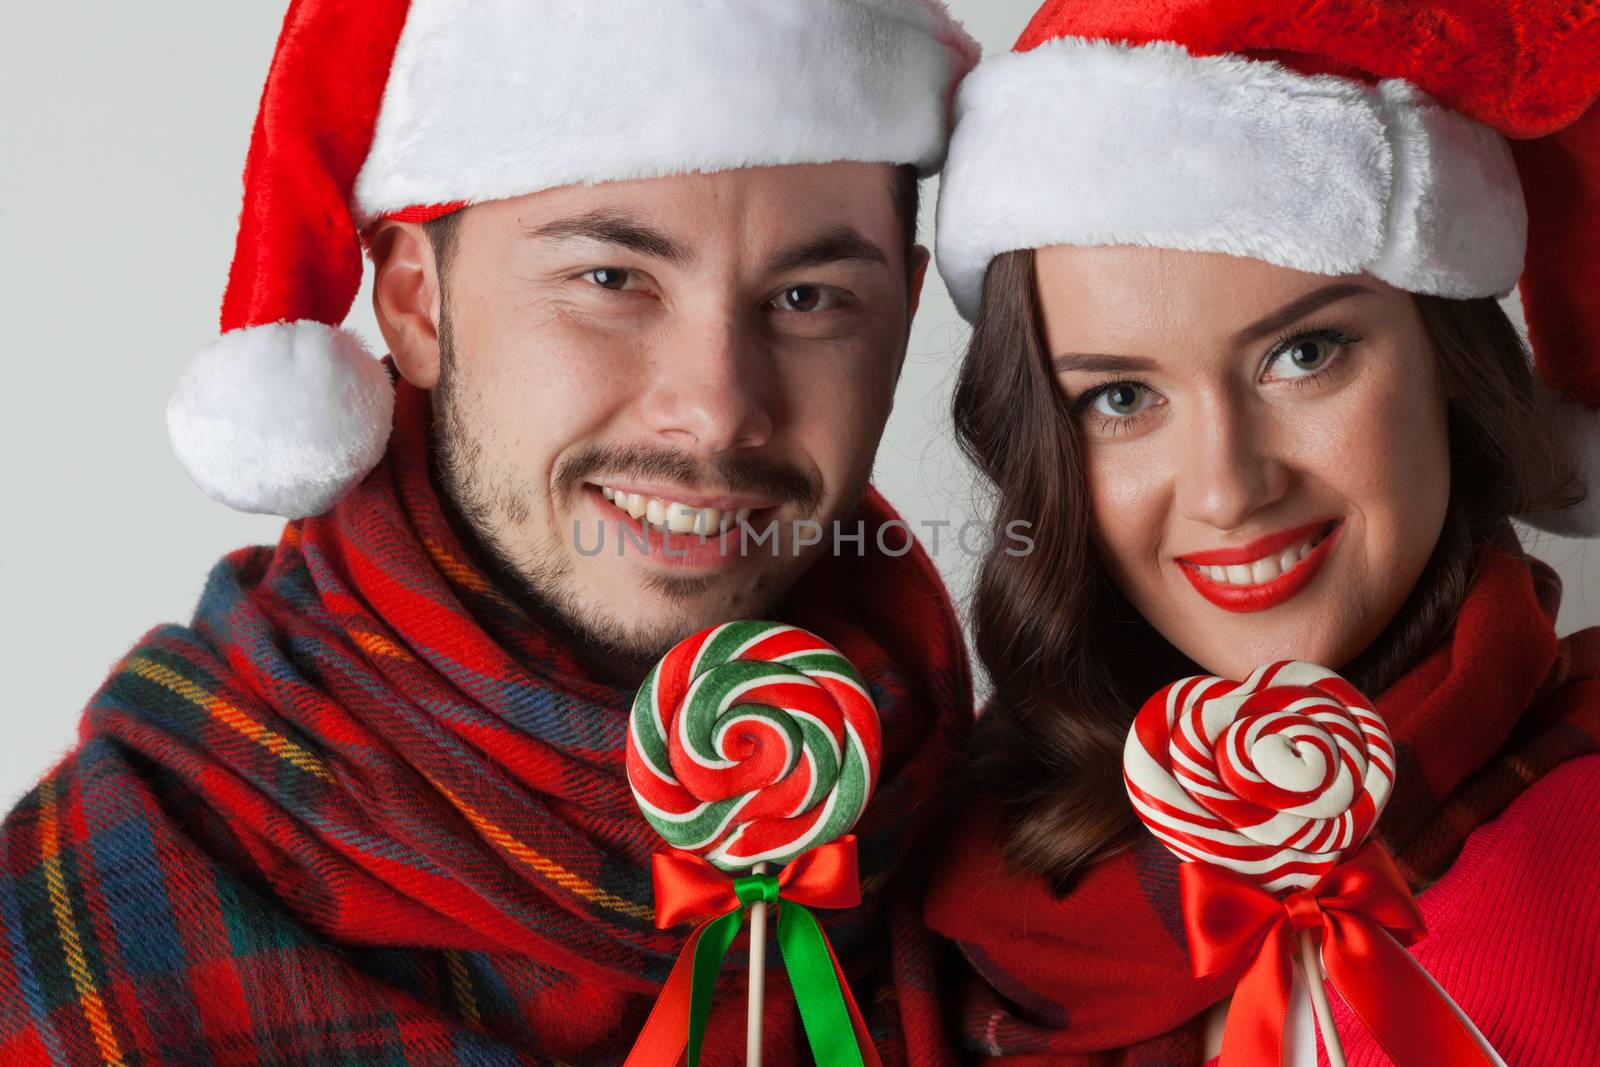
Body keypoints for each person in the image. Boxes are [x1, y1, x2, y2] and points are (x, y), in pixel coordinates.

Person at [0, 2, 980, 1064]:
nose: (715, 408)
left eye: (807, 297)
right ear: (416, 302)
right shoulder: (89, 920)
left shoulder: (1028, 870)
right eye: (612, 280)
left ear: (905, 318)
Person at [922, 0, 1600, 1064]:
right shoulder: (949, 897)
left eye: (1304, 352)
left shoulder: (1580, 839)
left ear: (1444, 360)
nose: (1228, 488)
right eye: (1119, 397)